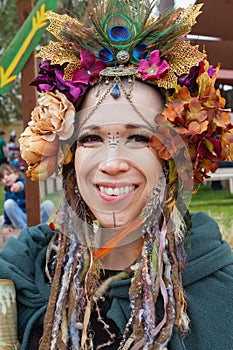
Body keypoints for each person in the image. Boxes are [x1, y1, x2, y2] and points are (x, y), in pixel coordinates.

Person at [0, 1, 233, 349]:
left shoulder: (220, 291)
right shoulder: (22, 275)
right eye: (91, 138)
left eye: (138, 137)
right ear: (70, 156)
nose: (112, 163)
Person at [0, 163, 55, 237]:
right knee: (8, 204)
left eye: (8, 174)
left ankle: (37, 227)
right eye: (3, 177)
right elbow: (7, 212)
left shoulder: (23, 183)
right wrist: (7, 225)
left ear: (16, 175)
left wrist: (19, 185)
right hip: (21, 218)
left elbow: (24, 184)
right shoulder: (8, 194)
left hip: (33, 213)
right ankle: (27, 231)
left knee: (49, 204)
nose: (6, 178)